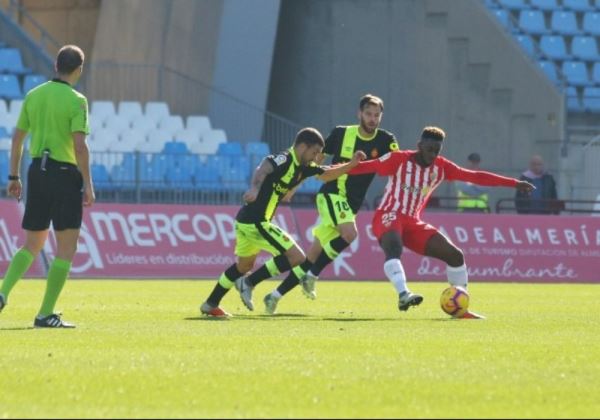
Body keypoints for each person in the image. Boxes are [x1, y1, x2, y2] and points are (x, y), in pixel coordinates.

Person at [348, 126, 535, 318]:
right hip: (389, 214)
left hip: (412, 222)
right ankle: (404, 294)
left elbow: (475, 177)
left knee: (455, 256)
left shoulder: (442, 167)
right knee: (394, 248)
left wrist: (514, 183)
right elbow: (365, 167)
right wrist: (326, 170)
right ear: (419, 145)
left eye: (436, 151)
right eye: (429, 149)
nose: (432, 155)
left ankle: (461, 309)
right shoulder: (398, 159)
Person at [199, 128, 366, 318]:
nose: (315, 158)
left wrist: (351, 165)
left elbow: (326, 173)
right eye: (313, 153)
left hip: (245, 221)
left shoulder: (303, 167)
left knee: (243, 266)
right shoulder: (285, 158)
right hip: (257, 221)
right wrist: (254, 188)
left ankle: (210, 303)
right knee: (297, 257)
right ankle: (249, 283)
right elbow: (264, 167)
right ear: (303, 147)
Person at [263, 94, 399, 315]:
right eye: (368, 114)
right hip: (332, 194)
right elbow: (314, 161)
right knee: (350, 234)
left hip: (350, 204)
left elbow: (396, 164)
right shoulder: (341, 133)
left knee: (312, 255)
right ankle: (313, 275)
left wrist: (393, 187)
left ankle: (273, 296)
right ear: (360, 114)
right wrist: (294, 185)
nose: (373, 119)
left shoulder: (386, 140)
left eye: (377, 115)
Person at [0, 45, 94, 328]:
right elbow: (80, 145)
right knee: (66, 248)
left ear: (55, 65)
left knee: (31, 243)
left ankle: (2, 292)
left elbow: (17, 140)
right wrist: (88, 184)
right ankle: (45, 313)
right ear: (78, 70)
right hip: (65, 175)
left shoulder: (34, 95)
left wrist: (14, 177)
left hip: (36, 173)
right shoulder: (78, 100)